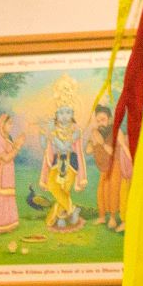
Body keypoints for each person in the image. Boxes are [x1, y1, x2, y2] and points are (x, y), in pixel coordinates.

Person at [39, 96, 87, 232]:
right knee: (53, 185)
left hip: (70, 162)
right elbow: (44, 146)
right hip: (56, 161)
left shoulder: (76, 130)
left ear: (72, 114)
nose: (64, 116)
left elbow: (66, 147)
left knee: (64, 190)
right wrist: (43, 134)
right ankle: (72, 209)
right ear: (56, 115)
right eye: (61, 112)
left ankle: (60, 217)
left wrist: (52, 136)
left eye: (67, 112)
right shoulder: (53, 128)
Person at [89, 104, 132, 232]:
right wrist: (92, 142)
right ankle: (102, 216)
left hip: (116, 163)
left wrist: (101, 142)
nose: (100, 123)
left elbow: (111, 151)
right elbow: (89, 150)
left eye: (103, 119)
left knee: (113, 189)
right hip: (105, 166)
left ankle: (113, 218)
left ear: (110, 119)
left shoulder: (115, 131)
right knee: (101, 189)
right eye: (98, 120)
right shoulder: (98, 132)